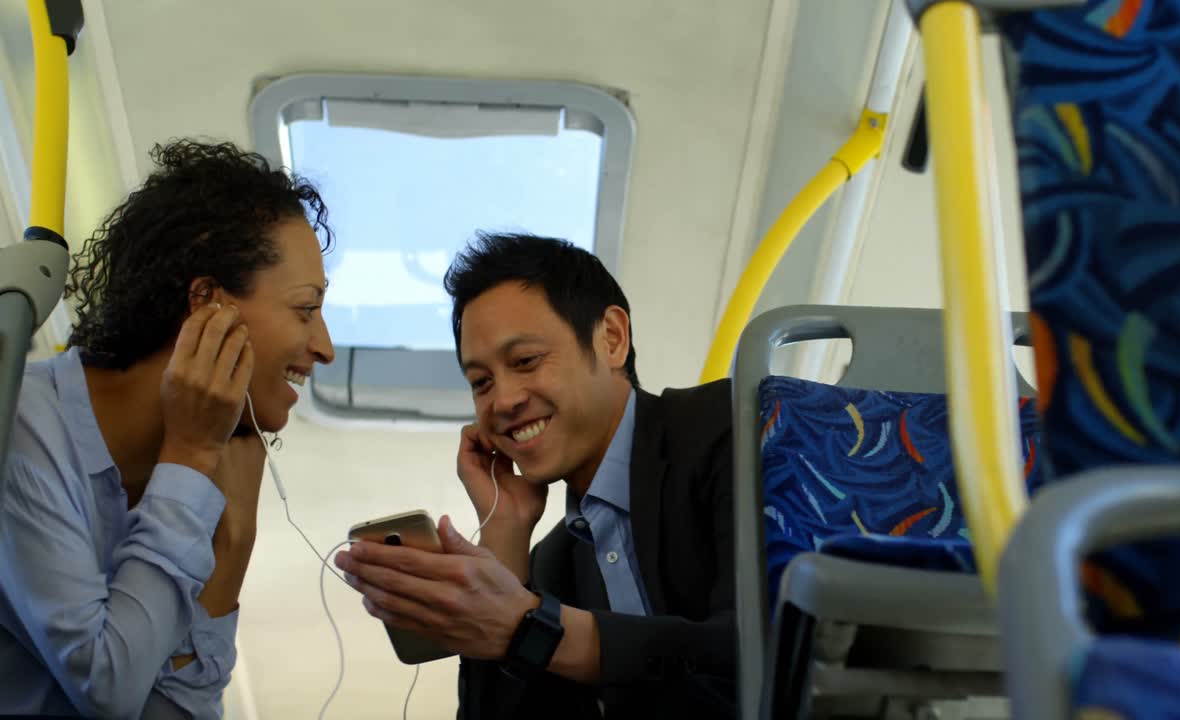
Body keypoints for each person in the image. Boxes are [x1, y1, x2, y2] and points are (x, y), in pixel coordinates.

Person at [0, 140, 336, 718]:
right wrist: (191, 453)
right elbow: (107, 690)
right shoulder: (20, 431)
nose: (324, 348)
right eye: (305, 309)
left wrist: (232, 548)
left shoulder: (195, 483)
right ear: (208, 304)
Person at [336, 233, 736, 719]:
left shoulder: (731, 425)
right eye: (481, 383)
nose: (502, 401)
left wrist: (531, 628)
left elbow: (776, 648)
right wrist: (505, 532)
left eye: (525, 361)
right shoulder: (552, 565)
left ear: (611, 337)